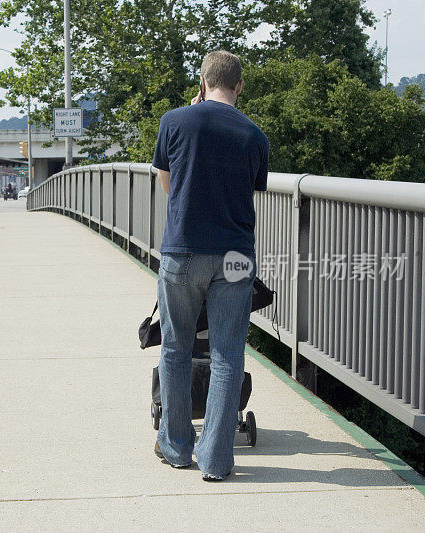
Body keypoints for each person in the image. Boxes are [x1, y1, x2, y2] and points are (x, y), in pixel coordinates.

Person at [151, 50, 269, 481]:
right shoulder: (255, 135)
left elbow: (167, 180)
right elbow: (249, 195)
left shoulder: (174, 121)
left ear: (202, 81)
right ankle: (216, 460)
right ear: (239, 86)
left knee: (176, 348)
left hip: (183, 251)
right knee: (226, 355)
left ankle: (176, 446)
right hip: (235, 258)